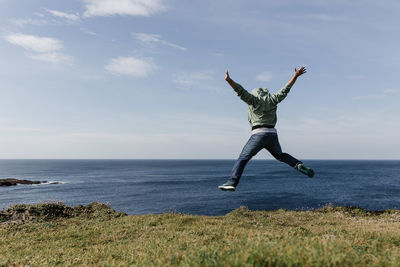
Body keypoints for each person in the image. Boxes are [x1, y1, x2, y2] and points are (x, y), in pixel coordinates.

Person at [219, 67, 314, 191]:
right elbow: (285, 90)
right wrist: (295, 75)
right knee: (280, 155)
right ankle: (298, 164)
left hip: (258, 134)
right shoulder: (272, 99)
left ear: (254, 94)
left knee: (243, 158)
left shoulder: (252, 100)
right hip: (272, 134)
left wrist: (229, 80)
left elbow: (240, 91)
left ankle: (232, 182)